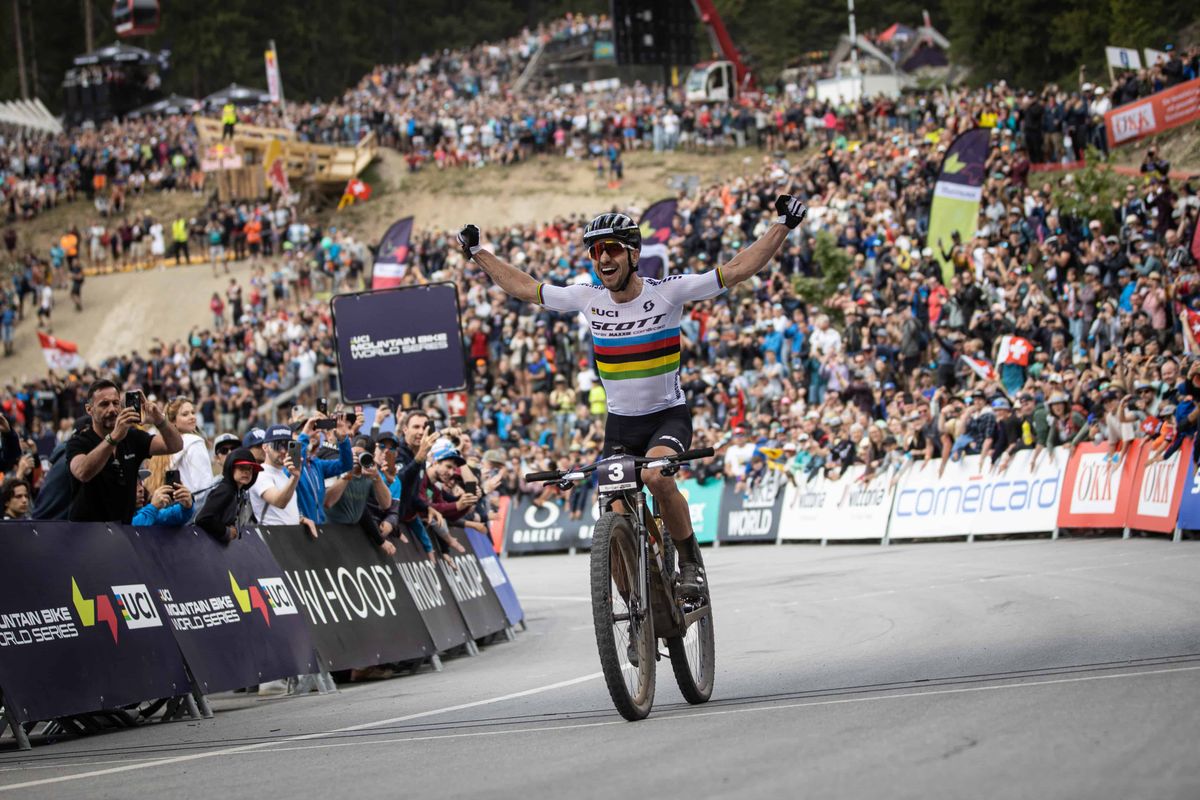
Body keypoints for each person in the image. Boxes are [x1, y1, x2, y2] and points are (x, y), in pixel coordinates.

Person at [458, 194, 809, 595]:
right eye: (596, 250)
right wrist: (477, 252)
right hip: (621, 427)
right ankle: (635, 612)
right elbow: (524, 287)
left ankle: (690, 561)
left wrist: (783, 224)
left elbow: (736, 270)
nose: (603, 258)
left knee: (657, 477)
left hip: (667, 417)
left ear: (634, 254)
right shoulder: (587, 299)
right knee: (613, 513)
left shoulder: (668, 293)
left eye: (612, 249)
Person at [66, 380, 183, 523]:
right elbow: (82, 472)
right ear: (89, 409)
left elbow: (175, 445)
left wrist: (159, 419)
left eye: (116, 403)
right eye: (104, 404)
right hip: (87, 532)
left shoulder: (132, 437)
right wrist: (114, 437)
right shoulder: (78, 442)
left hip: (123, 530)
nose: (112, 410)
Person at [248, 424, 318, 537]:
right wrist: (295, 477)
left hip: (287, 540)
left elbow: (281, 513)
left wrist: (299, 519)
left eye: (287, 445)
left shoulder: (284, 475)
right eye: (277, 445)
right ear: (265, 447)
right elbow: (279, 502)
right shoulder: (260, 474)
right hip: (271, 540)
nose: (283, 450)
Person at [195, 447, 262, 542]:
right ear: (231, 468)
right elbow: (202, 519)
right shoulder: (226, 490)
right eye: (241, 467)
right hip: (200, 542)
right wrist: (226, 531)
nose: (246, 472)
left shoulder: (239, 492)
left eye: (250, 469)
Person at [165, 397, 216, 493]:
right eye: (185, 414)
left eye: (193, 412)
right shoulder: (195, 442)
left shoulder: (163, 445)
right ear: (173, 421)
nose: (192, 417)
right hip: (192, 505)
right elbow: (204, 488)